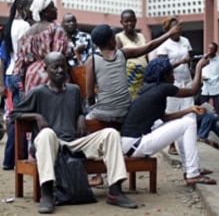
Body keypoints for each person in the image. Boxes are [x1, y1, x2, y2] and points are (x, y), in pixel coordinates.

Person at [10, 52, 138, 214]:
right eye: (54, 67)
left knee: (111, 134)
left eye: (63, 66)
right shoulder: (38, 93)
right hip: (51, 144)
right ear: (46, 69)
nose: (59, 70)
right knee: (47, 134)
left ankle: (115, 190)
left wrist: (80, 117)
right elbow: (14, 114)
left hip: (73, 143)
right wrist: (37, 116)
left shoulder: (74, 90)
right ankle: (48, 193)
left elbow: (79, 111)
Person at [120, 57, 217, 185]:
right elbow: (193, 90)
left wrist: (190, 110)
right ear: (165, 76)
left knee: (184, 124)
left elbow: (164, 118)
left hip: (131, 144)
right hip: (137, 144)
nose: (174, 77)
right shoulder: (163, 88)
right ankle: (193, 174)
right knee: (189, 123)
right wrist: (199, 66)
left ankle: (190, 169)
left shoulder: (149, 88)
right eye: (172, 73)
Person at [86, 23, 181, 123]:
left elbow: (90, 95)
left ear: (96, 44)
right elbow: (149, 47)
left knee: (85, 122)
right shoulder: (122, 53)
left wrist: (93, 108)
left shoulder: (91, 60)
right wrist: (169, 33)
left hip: (102, 114)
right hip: (125, 112)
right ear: (112, 39)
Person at [1, 0, 36, 170]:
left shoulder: (10, 26)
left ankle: (10, 159)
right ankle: (17, 158)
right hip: (20, 74)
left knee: (17, 117)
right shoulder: (24, 26)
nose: (33, 10)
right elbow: (27, 53)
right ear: (23, 8)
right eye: (31, 6)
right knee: (22, 118)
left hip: (10, 74)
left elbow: (8, 54)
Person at [12, 0, 70, 95]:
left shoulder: (27, 33)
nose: (56, 9)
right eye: (52, 7)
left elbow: (20, 60)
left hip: (31, 76)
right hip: (51, 76)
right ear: (45, 12)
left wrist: (22, 84)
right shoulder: (56, 29)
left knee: (34, 108)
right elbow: (59, 55)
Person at [155, 16, 194, 155]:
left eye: (179, 26)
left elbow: (190, 55)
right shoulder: (164, 44)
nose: (179, 29)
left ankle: (187, 144)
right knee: (172, 114)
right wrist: (180, 62)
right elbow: (162, 67)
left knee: (188, 113)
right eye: (175, 26)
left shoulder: (185, 41)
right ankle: (171, 144)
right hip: (172, 82)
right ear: (168, 29)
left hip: (186, 80)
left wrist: (190, 59)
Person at [115, 9, 148, 100]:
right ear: (121, 22)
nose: (129, 24)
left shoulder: (141, 36)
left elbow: (146, 55)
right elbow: (118, 60)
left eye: (132, 21)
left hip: (143, 78)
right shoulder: (119, 37)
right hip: (129, 79)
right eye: (126, 21)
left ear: (136, 21)